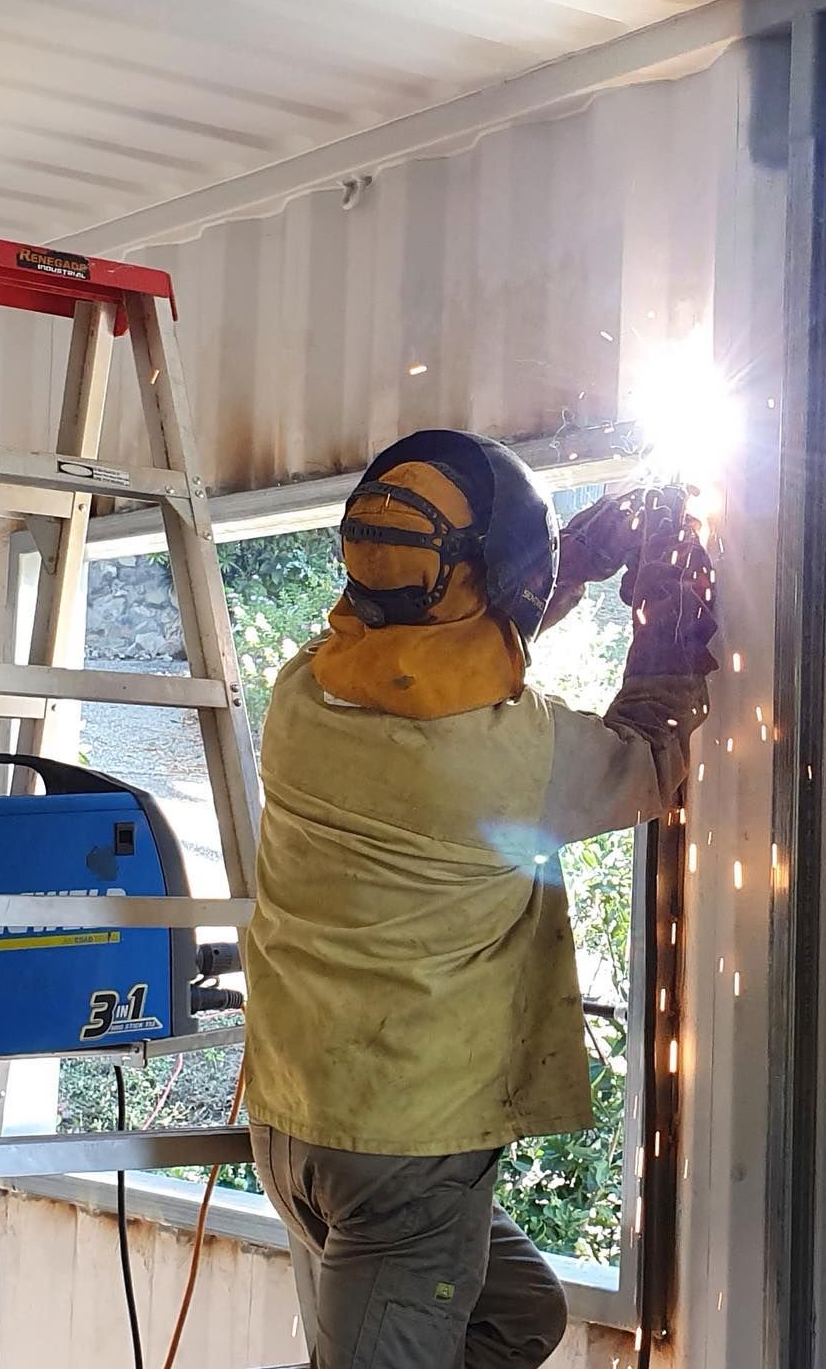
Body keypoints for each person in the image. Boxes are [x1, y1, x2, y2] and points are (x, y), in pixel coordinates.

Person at [244, 429, 719, 1369]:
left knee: (519, 1317)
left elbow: (427, 655)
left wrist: (563, 566)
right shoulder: (513, 760)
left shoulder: (303, 695)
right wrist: (666, 626)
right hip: (402, 1155)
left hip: (296, 1119)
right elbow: (651, 752)